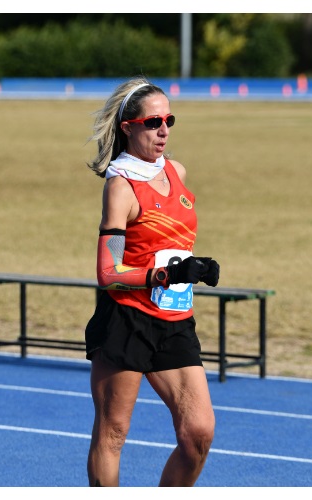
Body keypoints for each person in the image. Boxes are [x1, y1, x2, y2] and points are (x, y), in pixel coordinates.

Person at [83, 77, 220, 487]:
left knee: (198, 433)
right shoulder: (121, 187)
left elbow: (169, 243)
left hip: (175, 320)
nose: (163, 131)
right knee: (112, 434)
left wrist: (195, 267)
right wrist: (165, 274)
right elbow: (108, 273)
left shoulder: (177, 172)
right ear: (128, 127)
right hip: (127, 319)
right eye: (153, 122)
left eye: (169, 121)